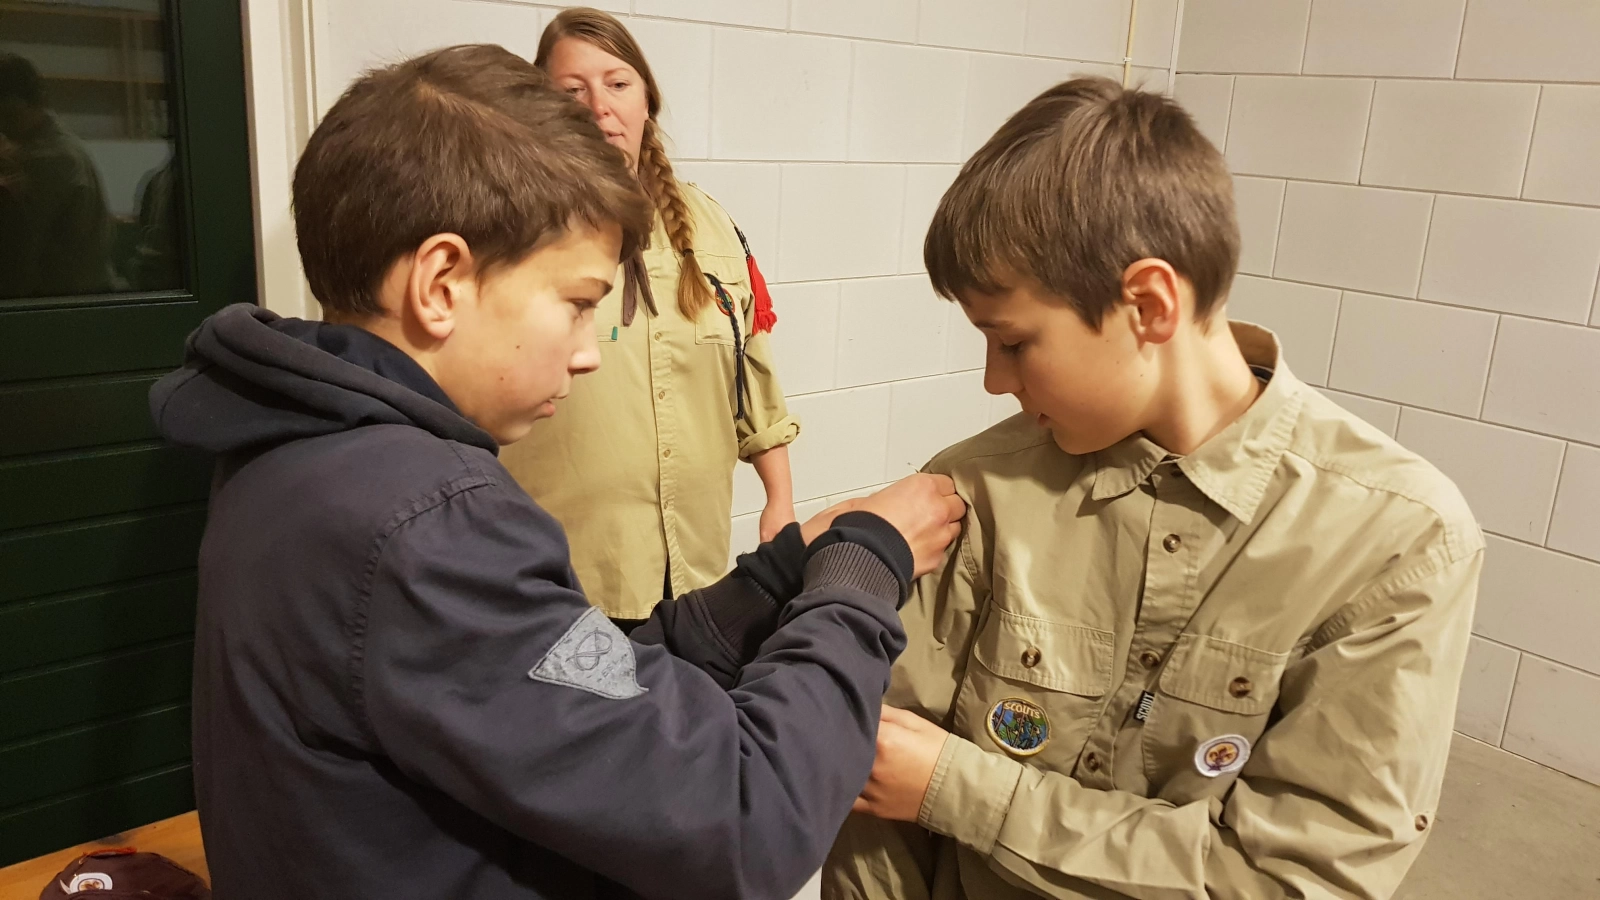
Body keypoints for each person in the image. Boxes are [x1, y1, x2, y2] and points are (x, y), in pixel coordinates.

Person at [148, 45, 964, 900]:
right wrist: (864, 569)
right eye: (577, 305)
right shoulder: (428, 522)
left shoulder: (305, 446)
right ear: (441, 283)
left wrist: (772, 583)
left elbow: (561, 675)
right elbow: (745, 817)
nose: (586, 354)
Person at [823, 77, 1482, 900]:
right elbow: (880, 792)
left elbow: (1293, 879)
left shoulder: (1397, 540)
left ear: (1148, 303)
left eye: (1014, 342)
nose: (995, 381)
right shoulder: (978, 486)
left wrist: (960, 788)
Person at [499, 8, 799, 628]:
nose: (599, 106)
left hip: (696, 568)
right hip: (566, 574)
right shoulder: (509, 231)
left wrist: (780, 501)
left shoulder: (712, 227)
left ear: (646, 101)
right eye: (571, 90)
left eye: (617, 83)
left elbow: (752, 371)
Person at [0, 52, 113, 299]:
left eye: (8, 114)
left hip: (63, 304)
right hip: (84, 296)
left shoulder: (47, 158)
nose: (3, 125)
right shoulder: (62, 146)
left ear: (36, 102)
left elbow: (16, 257)